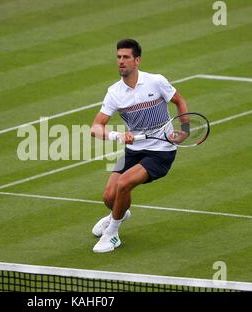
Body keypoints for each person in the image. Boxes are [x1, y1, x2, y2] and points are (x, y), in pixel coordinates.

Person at [90, 39, 189, 253]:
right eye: (118, 57)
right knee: (109, 196)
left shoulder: (156, 81)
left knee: (123, 183)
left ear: (137, 60)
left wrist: (186, 130)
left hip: (161, 151)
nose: (121, 62)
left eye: (126, 57)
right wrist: (117, 135)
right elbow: (95, 128)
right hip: (133, 150)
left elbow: (179, 101)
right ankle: (119, 212)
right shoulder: (114, 92)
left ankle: (112, 234)